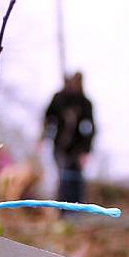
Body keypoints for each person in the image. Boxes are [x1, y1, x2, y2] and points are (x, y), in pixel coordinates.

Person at [43, 72, 96, 214]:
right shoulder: (59, 99)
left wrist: (86, 151)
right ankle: (63, 213)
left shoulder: (85, 103)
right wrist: (44, 136)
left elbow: (90, 128)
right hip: (60, 148)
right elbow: (48, 118)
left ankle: (76, 214)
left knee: (76, 180)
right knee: (63, 178)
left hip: (77, 150)